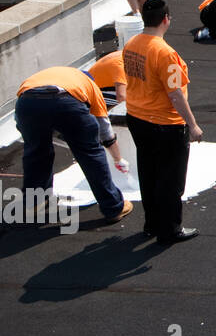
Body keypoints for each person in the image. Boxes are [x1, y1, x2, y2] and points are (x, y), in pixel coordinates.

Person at [122, 0, 202, 244]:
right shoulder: (166, 54)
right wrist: (193, 125)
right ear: (166, 19)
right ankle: (169, 230)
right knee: (171, 179)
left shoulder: (131, 44)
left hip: (137, 117)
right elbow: (175, 93)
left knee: (149, 172)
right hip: (165, 124)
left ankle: (152, 223)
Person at [15, 66, 132, 224]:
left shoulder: (54, 74)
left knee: (36, 153)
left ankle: (34, 203)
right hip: (66, 103)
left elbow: (21, 117)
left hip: (27, 104)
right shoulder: (90, 86)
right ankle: (113, 207)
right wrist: (118, 158)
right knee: (90, 154)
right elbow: (104, 129)